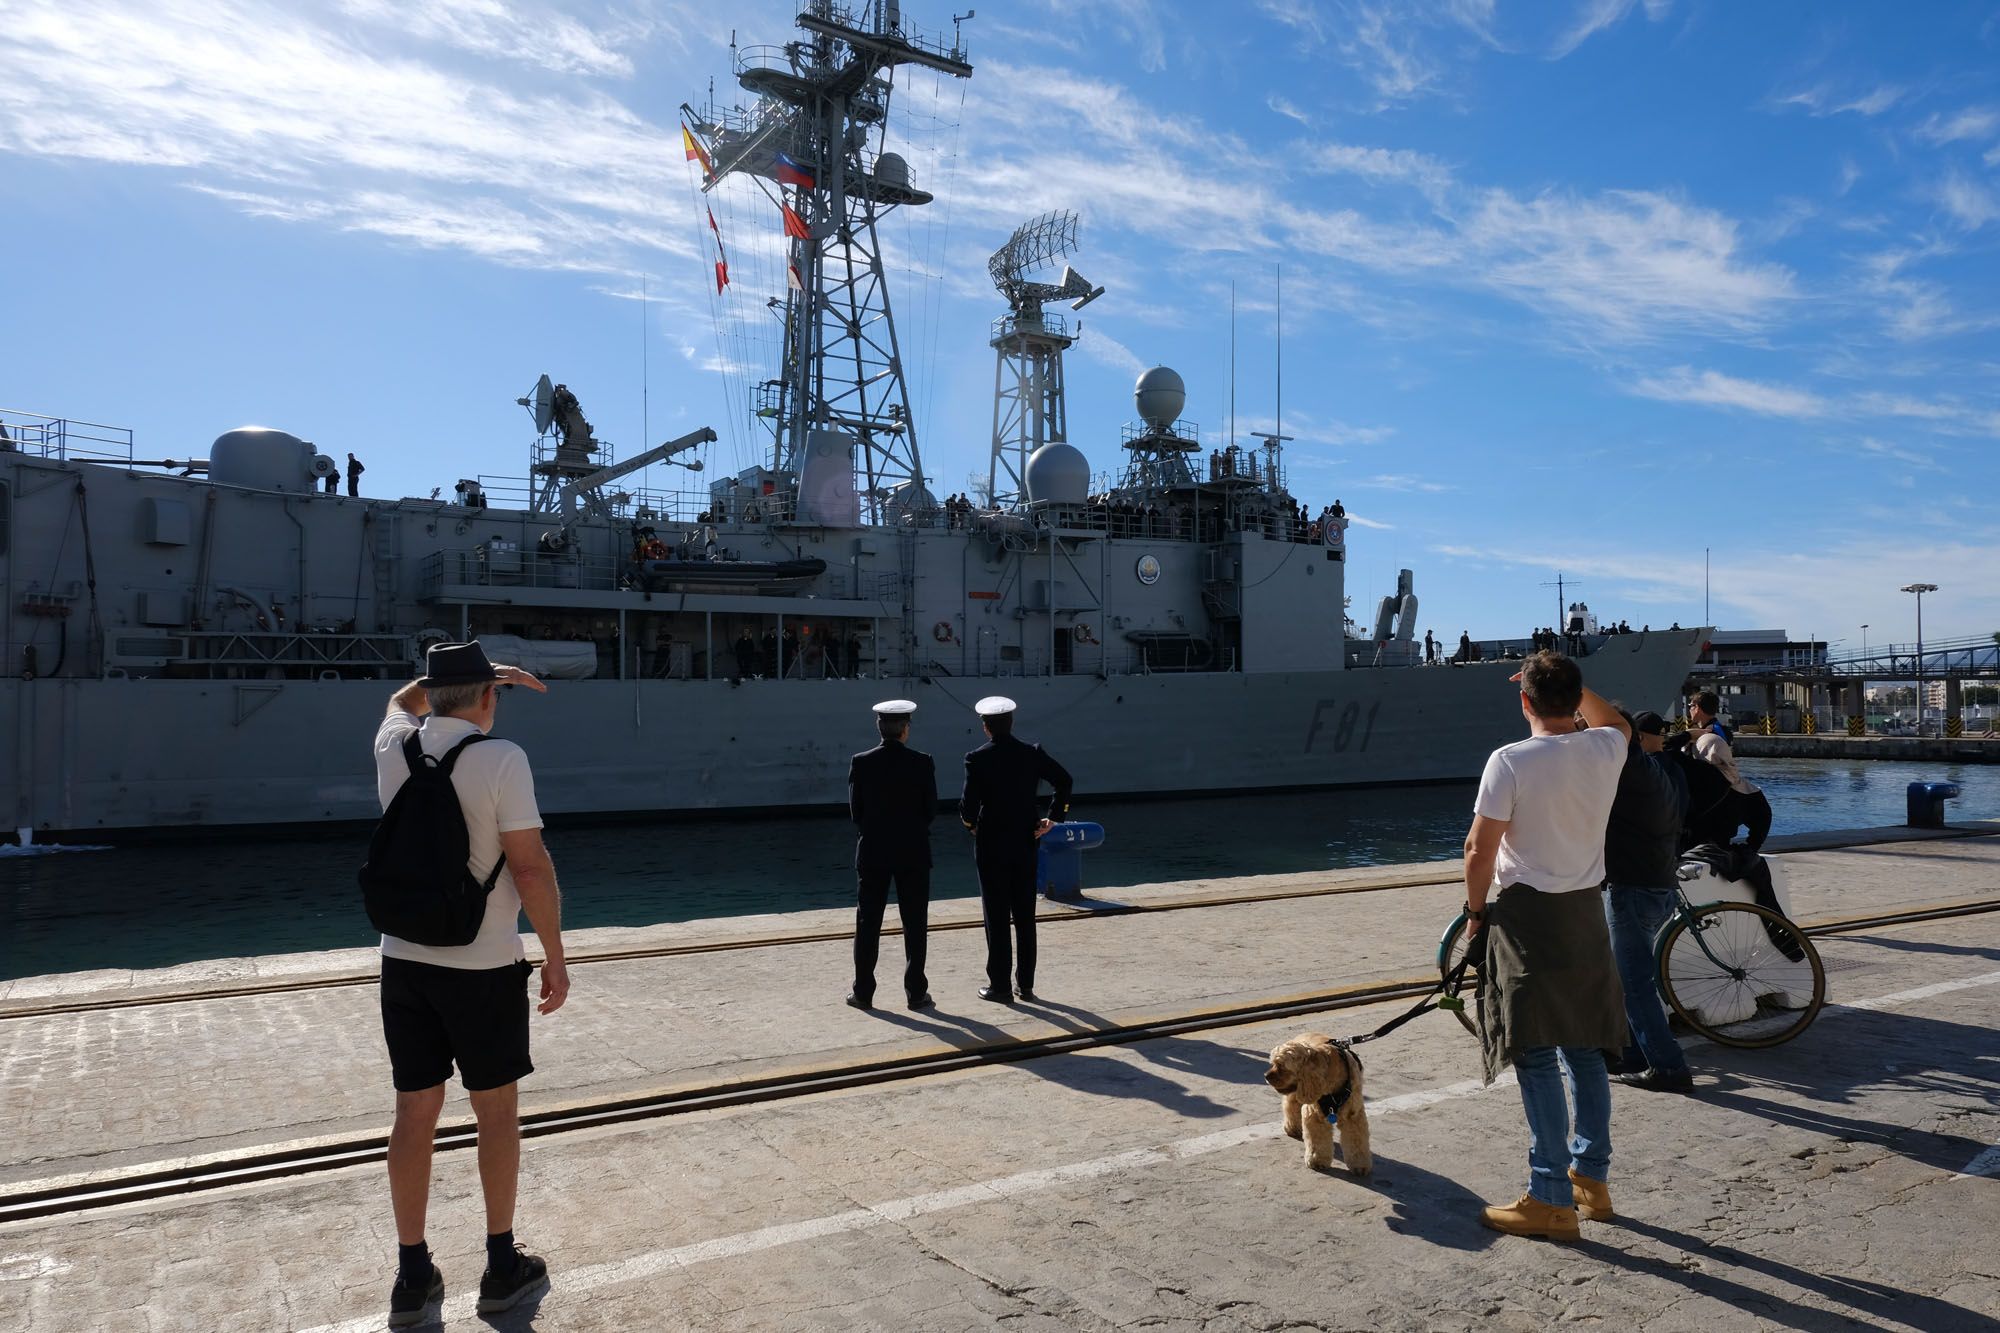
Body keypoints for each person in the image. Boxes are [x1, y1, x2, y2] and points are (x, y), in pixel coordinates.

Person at [373, 641, 567, 1324]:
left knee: (413, 1113)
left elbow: (399, 703)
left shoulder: (393, 746)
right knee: (496, 1113)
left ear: (434, 691)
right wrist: (555, 955)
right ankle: (501, 1265)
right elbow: (531, 867)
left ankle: (412, 1274)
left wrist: (464, 679)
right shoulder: (502, 757)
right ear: (488, 697)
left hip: (404, 961)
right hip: (483, 966)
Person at [1462, 650, 1631, 1241]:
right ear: (1576, 699)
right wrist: (1574, 687)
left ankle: (1550, 1199)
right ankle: (1592, 1181)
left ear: (1523, 702)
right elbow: (1616, 721)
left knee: (1534, 1053)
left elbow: (1478, 850)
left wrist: (1474, 914)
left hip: (1529, 919)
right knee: (1584, 1049)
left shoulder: (1509, 760)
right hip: (1586, 912)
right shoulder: (1606, 747)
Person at [1603, 711, 1694, 1093]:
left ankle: (1669, 1067)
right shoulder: (1657, 771)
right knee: (1629, 975)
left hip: (1632, 888)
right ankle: (1636, 1053)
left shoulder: (1627, 774)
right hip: (1658, 884)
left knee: (1635, 982)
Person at [959, 696, 1072, 1004]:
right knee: (1025, 915)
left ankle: (1000, 986)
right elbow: (1064, 781)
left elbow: (968, 806)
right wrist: (1054, 818)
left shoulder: (976, 758)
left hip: (991, 842)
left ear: (986, 727)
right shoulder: (1032, 753)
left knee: (996, 915)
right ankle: (1026, 985)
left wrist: (971, 825)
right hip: (1026, 839)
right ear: (1011, 723)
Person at [847, 700, 937, 1011]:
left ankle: (863, 992)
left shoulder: (861, 762)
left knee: (867, 923)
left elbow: (856, 812)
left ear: (879, 728)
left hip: (873, 852)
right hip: (913, 852)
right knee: (915, 923)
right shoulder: (922, 762)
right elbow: (930, 810)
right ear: (905, 730)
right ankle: (916, 993)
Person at [1687, 690, 1772, 851]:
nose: (1689, 709)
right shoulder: (1721, 729)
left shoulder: (1711, 734)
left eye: (1691, 706)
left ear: (1697, 708)